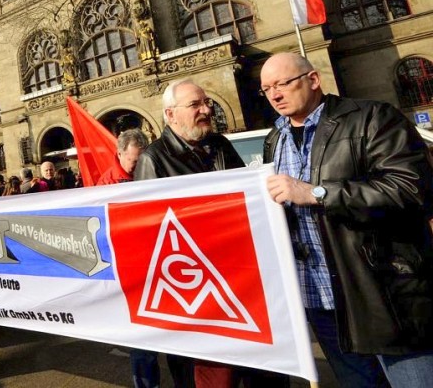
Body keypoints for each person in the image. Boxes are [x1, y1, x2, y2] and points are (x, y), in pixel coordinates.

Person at [261, 52, 433, 387]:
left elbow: (411, 190)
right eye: (267, 88)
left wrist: (318, 193)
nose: (275, 94)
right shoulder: (275, 138)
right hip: (318, 298)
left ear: (313, 80)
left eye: (283, 83)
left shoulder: (371, 117)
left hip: (382, 294)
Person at [134, 79, 287, 388]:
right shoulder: (153, 159)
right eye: (195, 105)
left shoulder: (221, 145)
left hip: (244, 282)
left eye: (206, 103)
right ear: (171, 115)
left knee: (266, 374)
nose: (206, 110)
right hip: (201, 297)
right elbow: (153, 235)